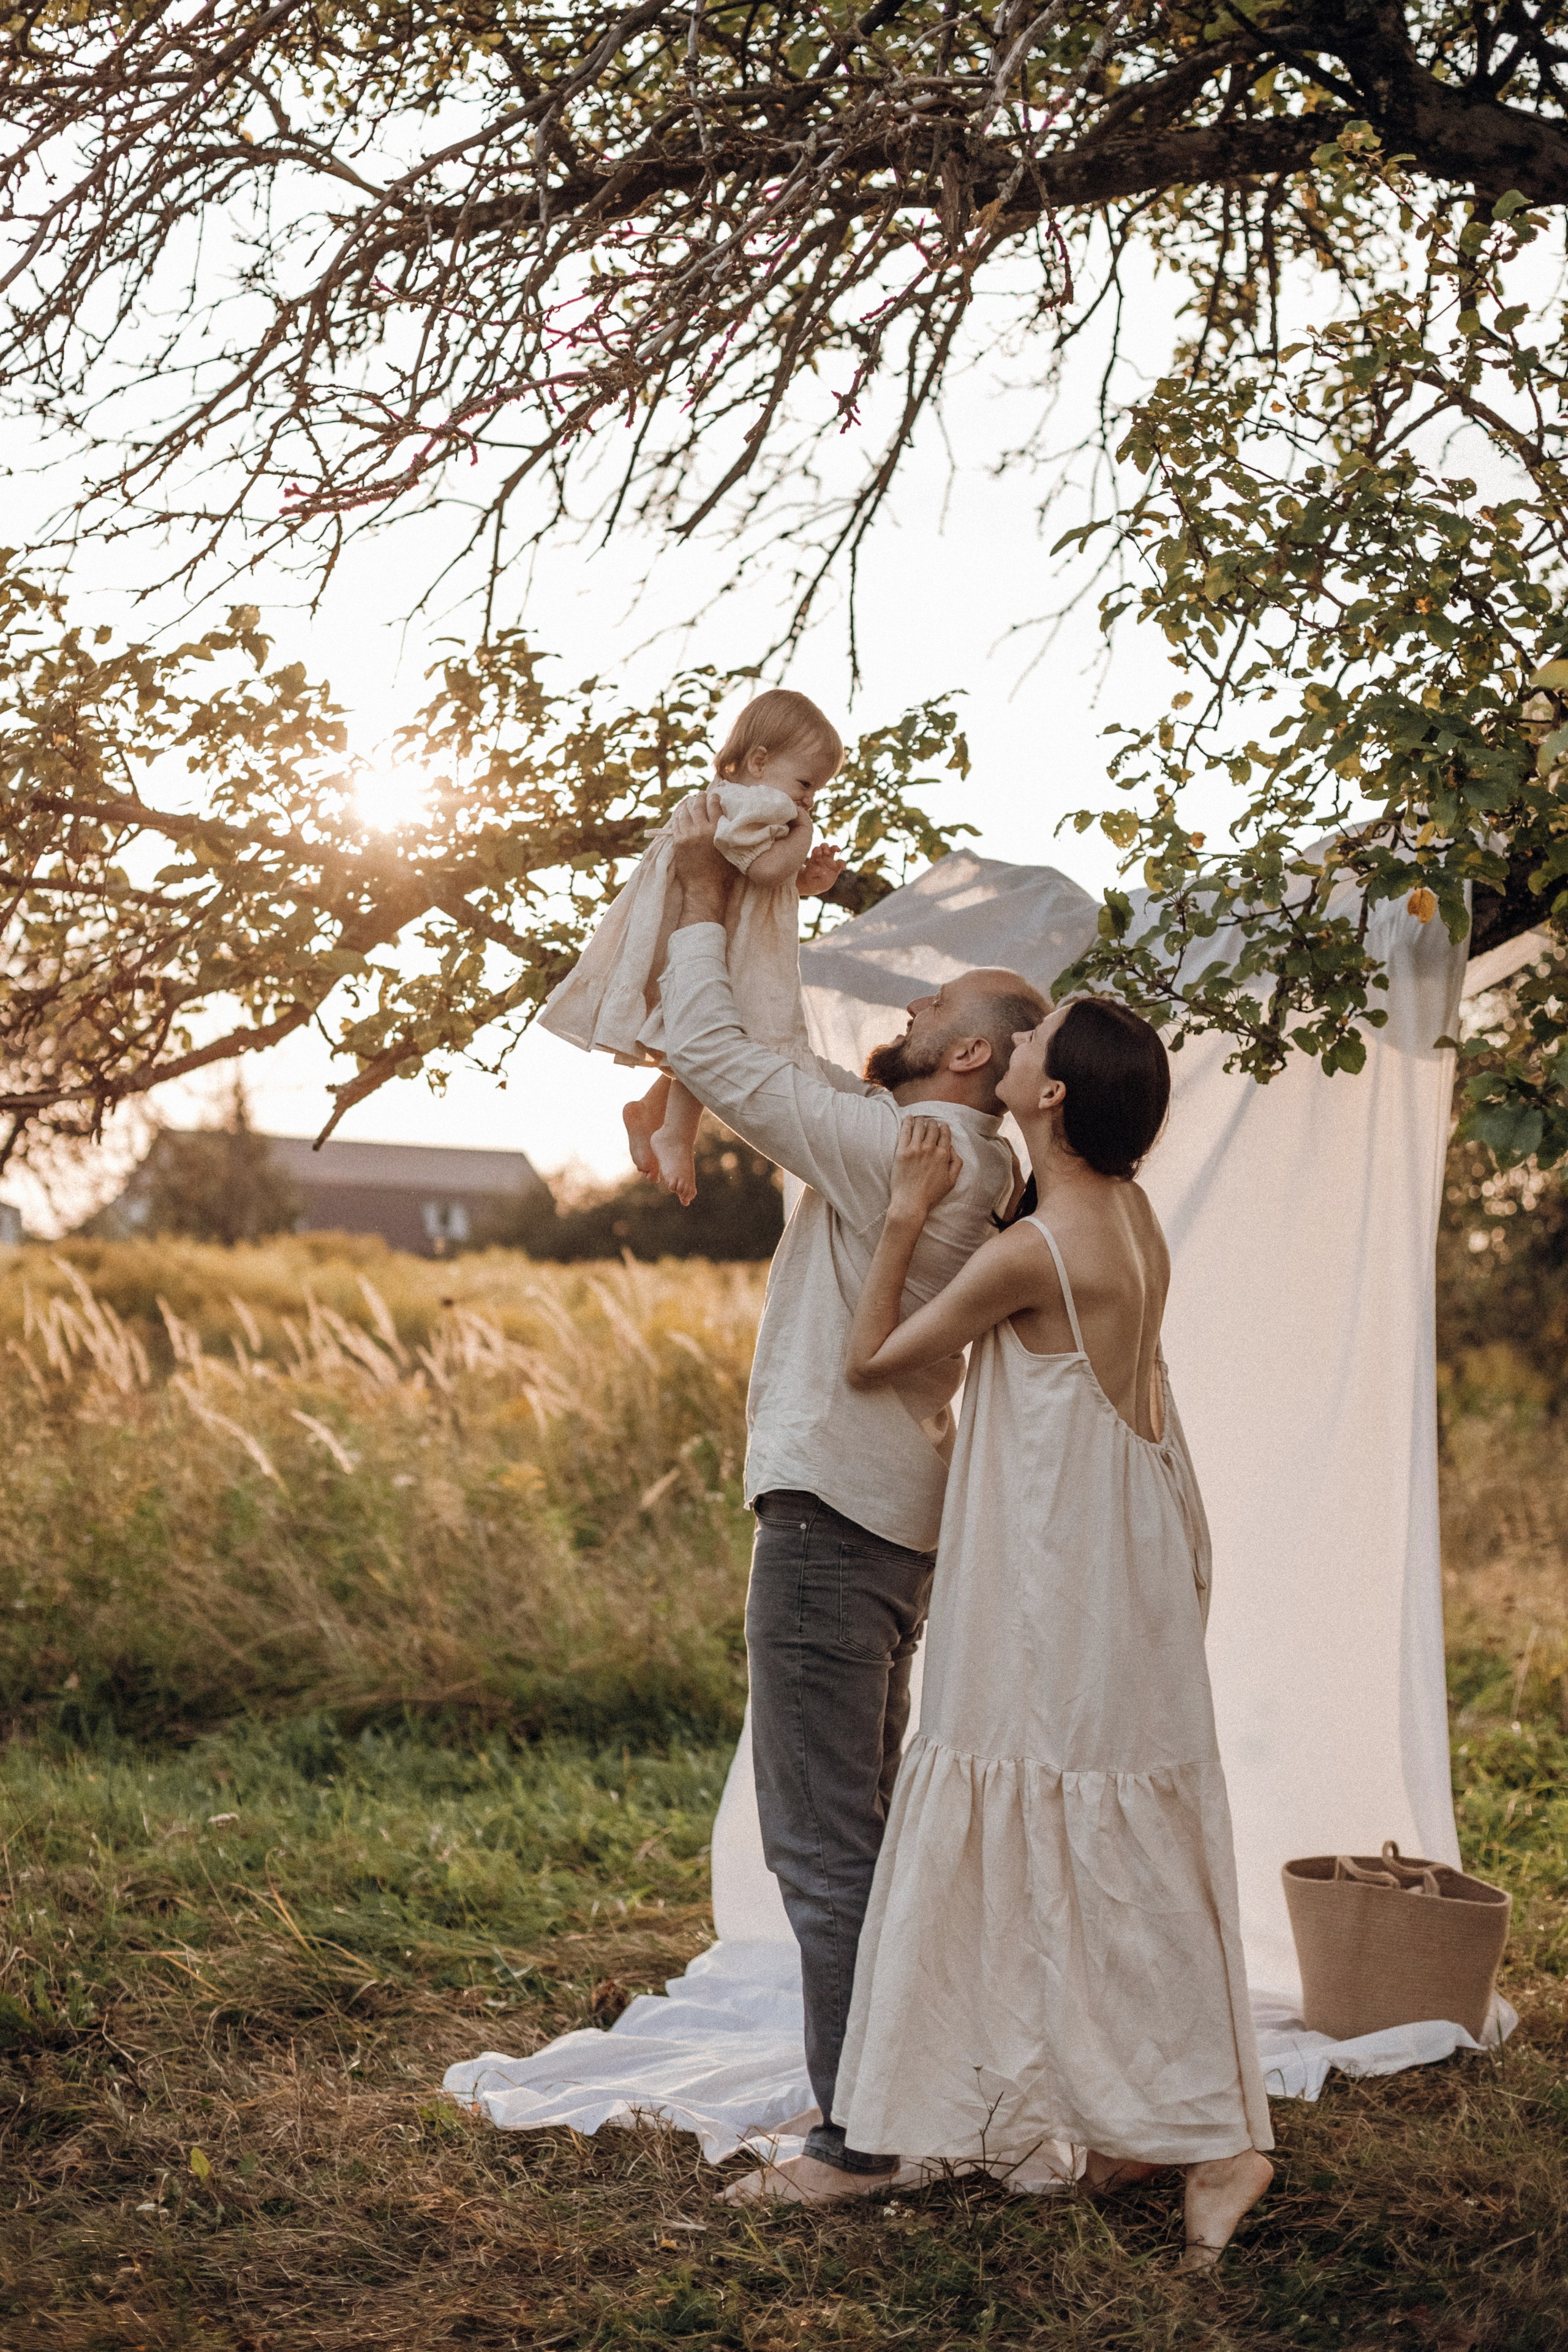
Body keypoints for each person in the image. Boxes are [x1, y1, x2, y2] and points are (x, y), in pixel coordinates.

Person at [831, 997, 1275, 2269]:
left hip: (1063, 1562)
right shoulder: (1123, 1214)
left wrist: (906, 1214)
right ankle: (1153, 2115)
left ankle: (1214, 2137)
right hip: (1131, 1532)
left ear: (1054, 1096)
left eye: (1031, 1048)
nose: (1013, 1049)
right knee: (1115, 1824)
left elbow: (874, 1359)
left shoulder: (1033, 1252)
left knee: (1080, 1816)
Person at [658, 796, 1047, 2202]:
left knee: (821, 1846)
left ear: (966, 1053)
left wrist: (705, 895)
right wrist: (777, 910)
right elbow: (782, 1057)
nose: (904, 1005)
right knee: (859, 1839)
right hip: (890, 1524)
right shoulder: (971, 1158)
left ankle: (857, 2141)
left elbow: (719, 1051)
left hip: (831, 1525)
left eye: (929, 999)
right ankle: (888, 2093)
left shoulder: (899, 1149)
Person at [537, 688, 849, 1205]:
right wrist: (803, 835)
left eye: (815, 793)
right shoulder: (758, 805)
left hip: (711, 940)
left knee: (712, 1033)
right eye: (806, 783)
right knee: (722, 1035)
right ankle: (674, 1134)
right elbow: (768, 869)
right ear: (759, 761)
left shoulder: (733, 805)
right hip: (717, 948)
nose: (808, 801)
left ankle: (651, 1112)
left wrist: (806, 882)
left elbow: (752, 886)